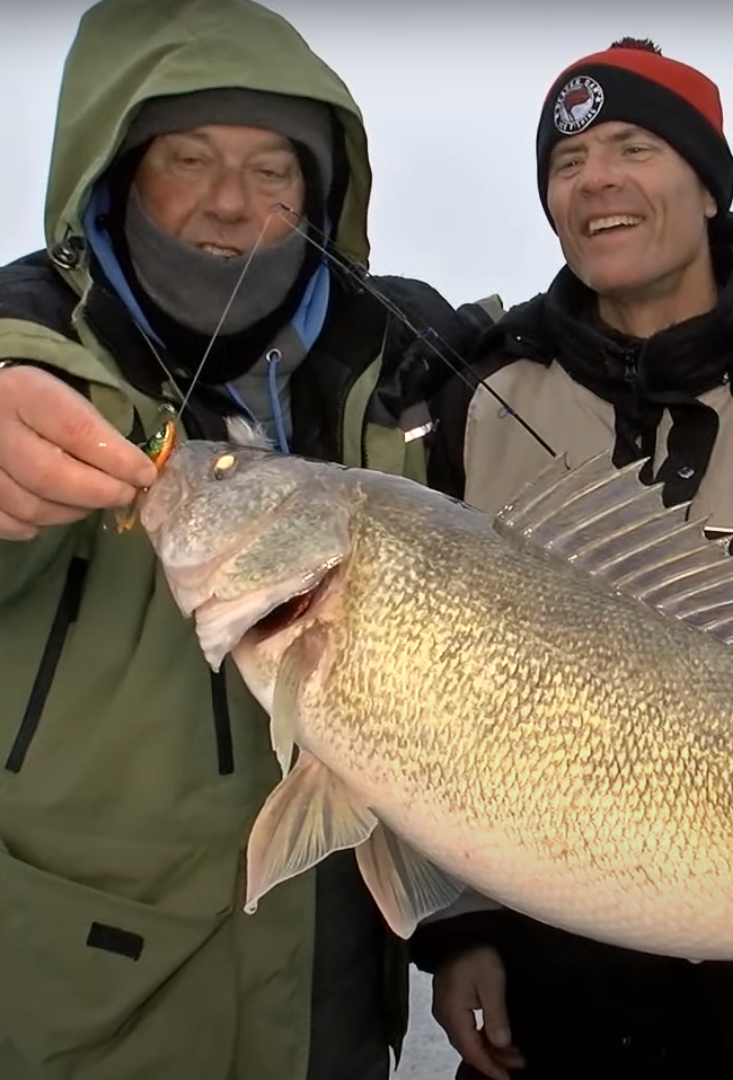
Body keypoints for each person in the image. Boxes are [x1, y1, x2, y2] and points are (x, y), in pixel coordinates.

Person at [0, 1, 494, 1078]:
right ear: (116, 177)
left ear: (316, 200)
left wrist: (462, 931)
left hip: (333, 1017)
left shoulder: (403, 369)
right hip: (73, 1022)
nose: (230, 200)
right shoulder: (23, 350)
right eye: (189, 158)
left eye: (273, 169)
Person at [413, 37, 733, 1080]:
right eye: (567, 161)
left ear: (709, 184)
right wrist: (462, 931)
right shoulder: (479, 403)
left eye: (634, 147)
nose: (596, 178)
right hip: (557, 1001)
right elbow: (429, 702)